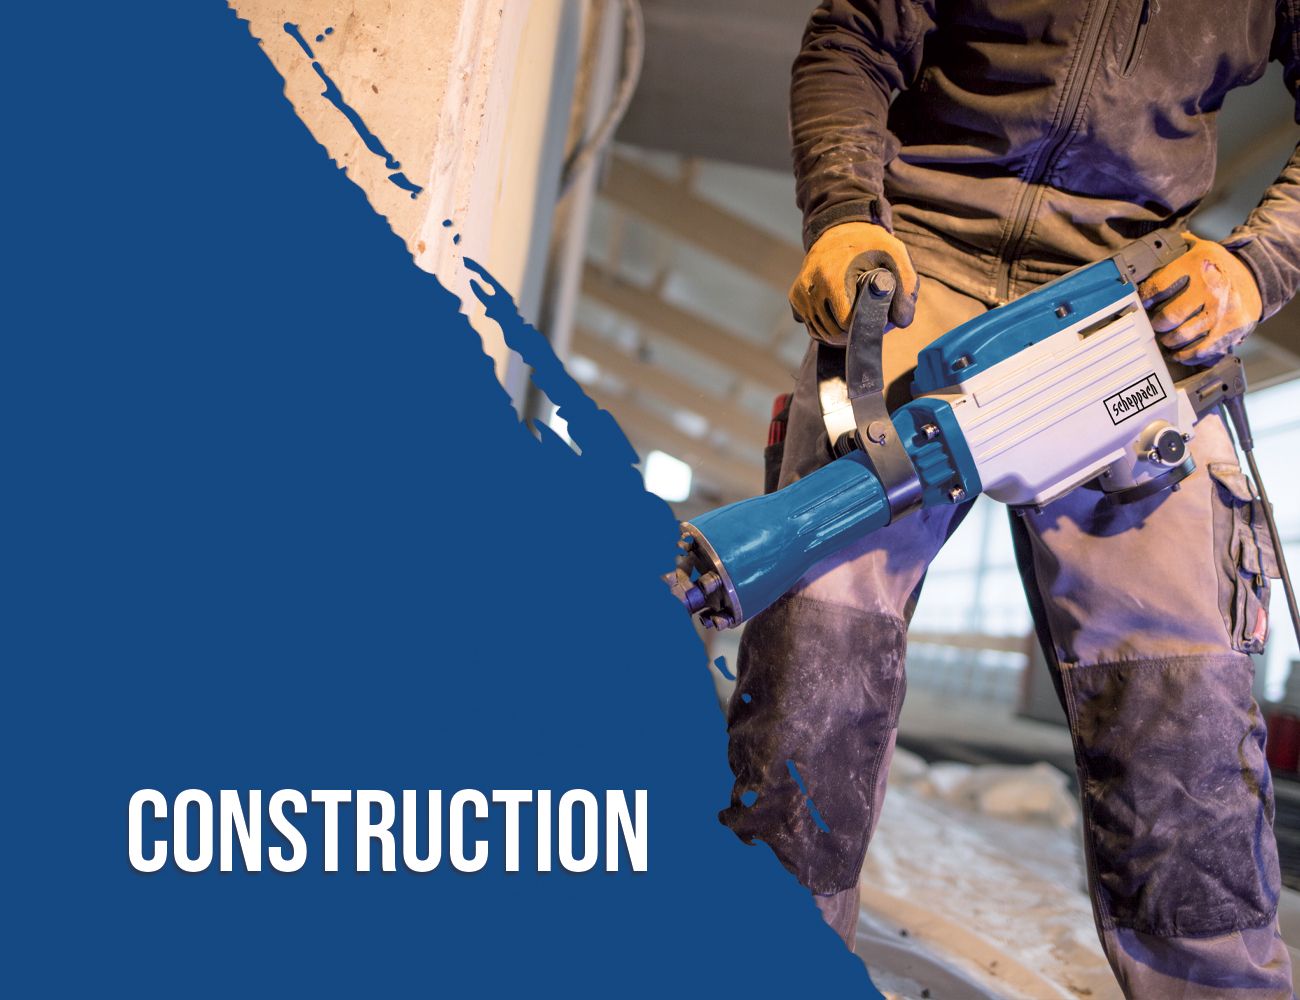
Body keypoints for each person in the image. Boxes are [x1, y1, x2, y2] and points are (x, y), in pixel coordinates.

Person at [718, 2, 1300, 995]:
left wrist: (1258, 264)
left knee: (1180, 700)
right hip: (917, 266)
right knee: (816, 651)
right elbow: (853, 36)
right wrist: (845, 214)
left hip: (1129, 295)